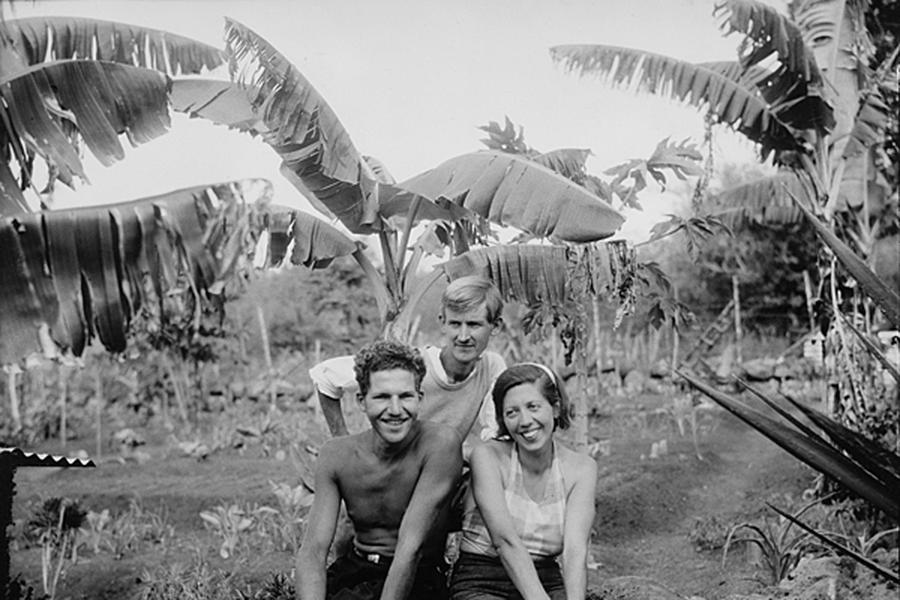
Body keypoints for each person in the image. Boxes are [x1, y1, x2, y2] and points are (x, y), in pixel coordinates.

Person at [296, 340, 463, 600]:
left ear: (420, 398)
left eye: (405, 396)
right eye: (382, 397)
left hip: (416, 578)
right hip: (355, 570)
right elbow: (314, 551)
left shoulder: (439, 444)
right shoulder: (336, 455)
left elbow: (410, 548)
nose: (395, 410)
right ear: (362, 401)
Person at [310, 275, 506, 455]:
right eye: (455, 324)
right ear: (442, 323)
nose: (463, 337)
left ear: (495, 326)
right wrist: (343, 443)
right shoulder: (410, 364)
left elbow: (495, 430)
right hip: (390, 470)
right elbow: (325, 377)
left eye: (474, 325)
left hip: (439, 474)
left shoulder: (491, 367)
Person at [450, 363, 598, 600]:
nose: (525, 421)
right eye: (512, 412)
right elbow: (505, 542)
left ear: (556, 408)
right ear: (503, 420)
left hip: (547, 579)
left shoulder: (581, 469)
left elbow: (574, 551)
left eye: (533, 407)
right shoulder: (488, 457)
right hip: (482, 580)